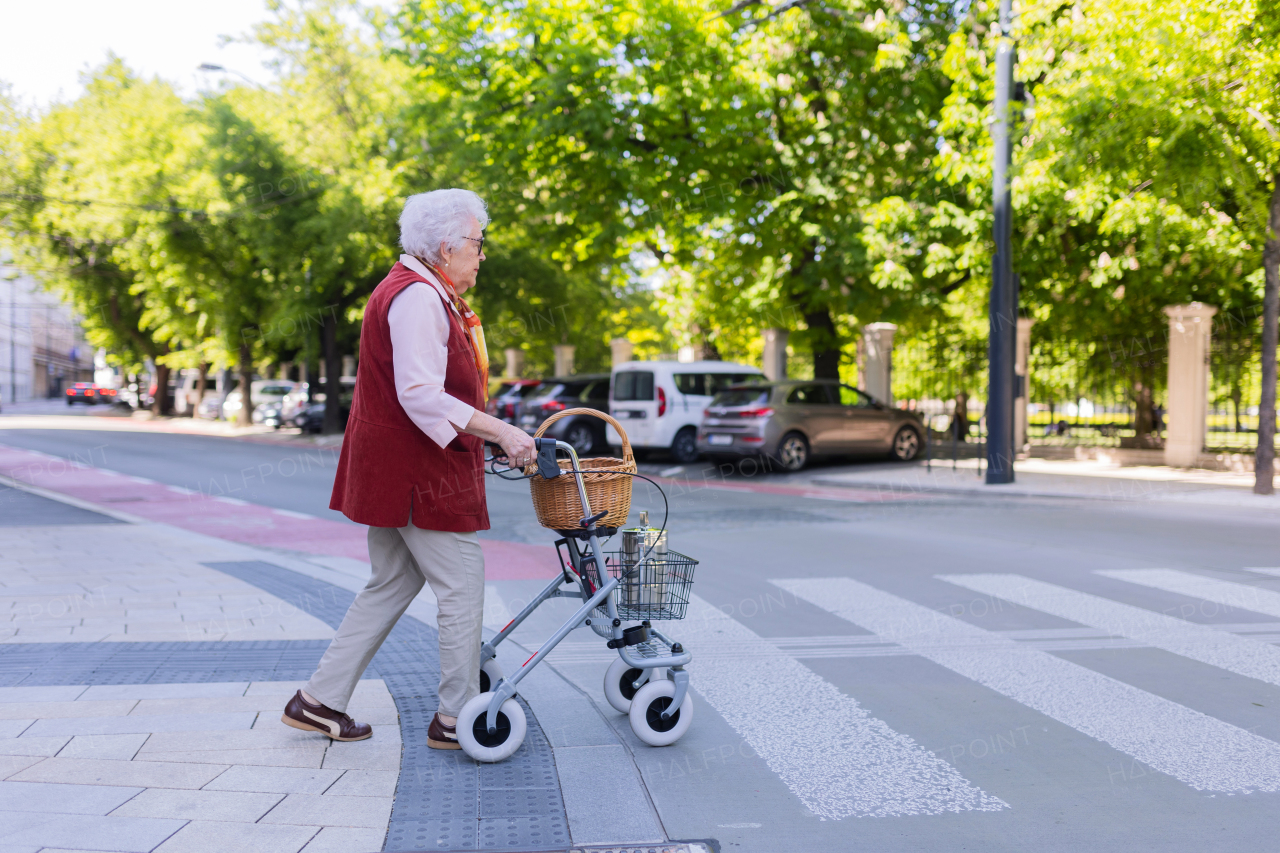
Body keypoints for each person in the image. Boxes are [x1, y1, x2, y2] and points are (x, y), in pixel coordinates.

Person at [281, 189, 535, 749]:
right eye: (477, 242)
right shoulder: (419, 298)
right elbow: (420, 393)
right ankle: (456, 718)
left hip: (402, 470)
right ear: (446, 248)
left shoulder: (419, 290)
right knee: (463, 586)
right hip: (420, 476)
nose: (482, 254)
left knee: (391, 583)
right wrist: (503, 431)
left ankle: (317, 701)